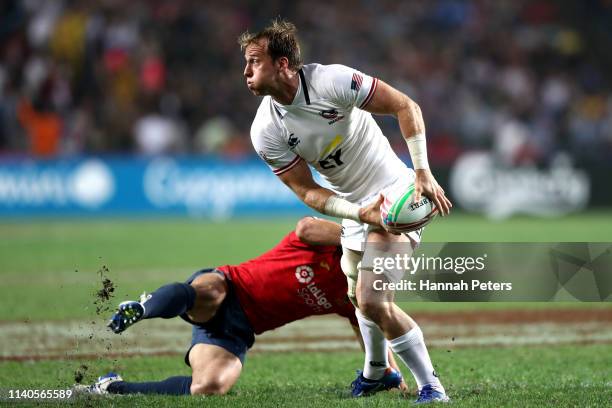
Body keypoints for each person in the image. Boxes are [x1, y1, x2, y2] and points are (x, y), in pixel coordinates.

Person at [240, 19, 452, 403]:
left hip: (394, 194)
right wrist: (357, 213)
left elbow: (405, 106)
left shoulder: (332, 81)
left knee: (372, 299)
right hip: (356, 208)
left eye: (254, 61)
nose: (246, 71)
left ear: (283, 63)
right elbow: (307, 190)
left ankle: (431, 387)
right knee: (356, 292)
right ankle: (378, 372)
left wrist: (422, 172)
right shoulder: (265, 131)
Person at [79, 218, 406, 396]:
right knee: (209, 290)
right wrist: (360, 238)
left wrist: (392, 374)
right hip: (230, 286)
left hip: (238, 330)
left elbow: (368, 332)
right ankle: (141, 306)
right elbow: (306, 225)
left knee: (209, 387)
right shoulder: (325, 243)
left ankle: (112, 387)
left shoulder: (355, 290)